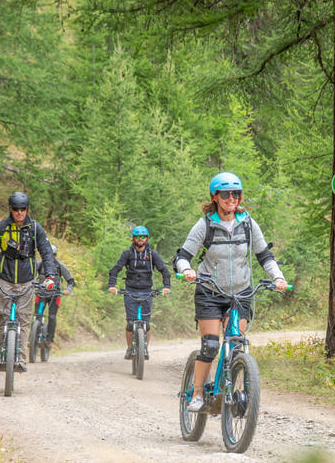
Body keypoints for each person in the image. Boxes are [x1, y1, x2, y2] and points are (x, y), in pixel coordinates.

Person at [173, 172, 287, 411]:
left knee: (235, 346)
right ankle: (196, 395)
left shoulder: (247, 223)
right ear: (215, 197)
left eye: (236, 193)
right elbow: (182, 257)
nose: (231, 198)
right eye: (225, 194)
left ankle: (229, 393)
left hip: (241, 294)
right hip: (209, 292)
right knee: (211, 346)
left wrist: (278, 277)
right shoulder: (205, 224)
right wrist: (187, 271)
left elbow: (264, 255)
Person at [0, 192, 56, 372]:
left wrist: (49, 276)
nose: (19, 213)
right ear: (10, 209)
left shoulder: (35, 229)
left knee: (24, 320)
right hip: (5, 279)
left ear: (27, 209)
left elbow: (47, 253)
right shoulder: (1, 227)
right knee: (1, 318)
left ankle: (21, 359)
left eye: (23, 209)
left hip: (27, 281)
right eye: (16, 209)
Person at [107, 225, 171, 360]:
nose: (140, 239)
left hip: (147, 291)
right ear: (133, 239)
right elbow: (115, 269)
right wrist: (112, 285)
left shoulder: (153, 254)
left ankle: (145, 349)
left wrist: (166, 286)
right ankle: (130, 348)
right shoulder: (127, 254)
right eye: (137, 236)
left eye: (143, 236)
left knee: (146, 323)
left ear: (147, 238)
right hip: (130, 291)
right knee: (130, 323)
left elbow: (164, 271)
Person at [36, 244, 76, 350]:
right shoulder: (39, 265)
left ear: (55, 255)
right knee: (37, 315)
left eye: (53, 255)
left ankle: (49, 340)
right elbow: (29, 276)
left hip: (55, 295)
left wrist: (68, 290)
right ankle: (34, 336)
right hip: (41, 294)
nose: (50, 257)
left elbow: (71, 281)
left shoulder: (60, 266)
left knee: (52, 316)